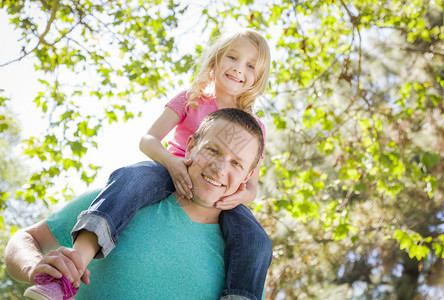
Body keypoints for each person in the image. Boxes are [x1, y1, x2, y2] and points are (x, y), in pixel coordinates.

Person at [24, 27, 271, 300]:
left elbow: (251, 187)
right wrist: (171, 163)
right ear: (216, 60)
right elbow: (148, 139)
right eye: (233, 58)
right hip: (169, 170)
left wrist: (234, 198)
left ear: (257, 79)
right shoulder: (192, 98)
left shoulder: (254, 128)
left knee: (257, 240)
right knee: (131, 178)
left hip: (220, 197)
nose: (239, 69)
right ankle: (70, 269)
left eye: (250, 66)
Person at [5, 108, 270, 299]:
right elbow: (25, 238)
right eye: (213, 150)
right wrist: (32, 267)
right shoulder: (119, 201)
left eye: (236, 163)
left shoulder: (242, 253)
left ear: (247, 177)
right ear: (190, 147)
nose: (220, 167)